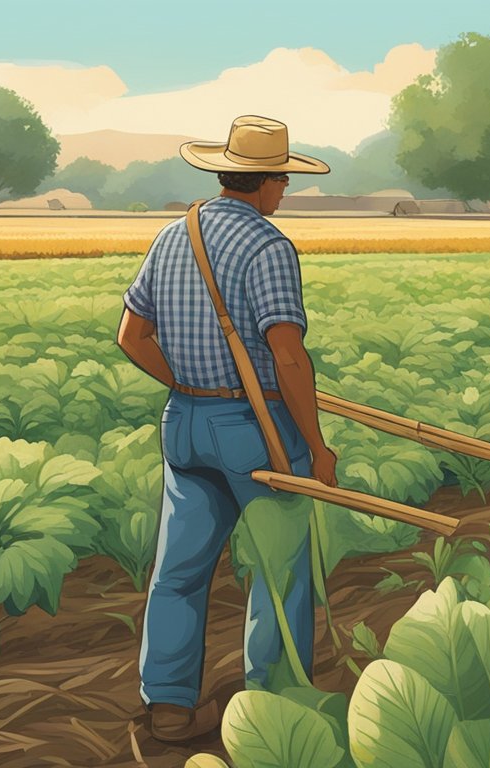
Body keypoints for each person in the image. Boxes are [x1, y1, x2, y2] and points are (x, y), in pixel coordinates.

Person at [115, 115, 338, 743]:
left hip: (185, 420)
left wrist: (189, 382)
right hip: (256, 427)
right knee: (280, 570)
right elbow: (288, 356)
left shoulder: (172, 236)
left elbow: (131, 336)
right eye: (283, 181)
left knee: (179, 569)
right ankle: (273, 703)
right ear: (265, 182)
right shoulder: (268, 246)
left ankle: (168, 702)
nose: (285, 192)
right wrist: (316, 447)